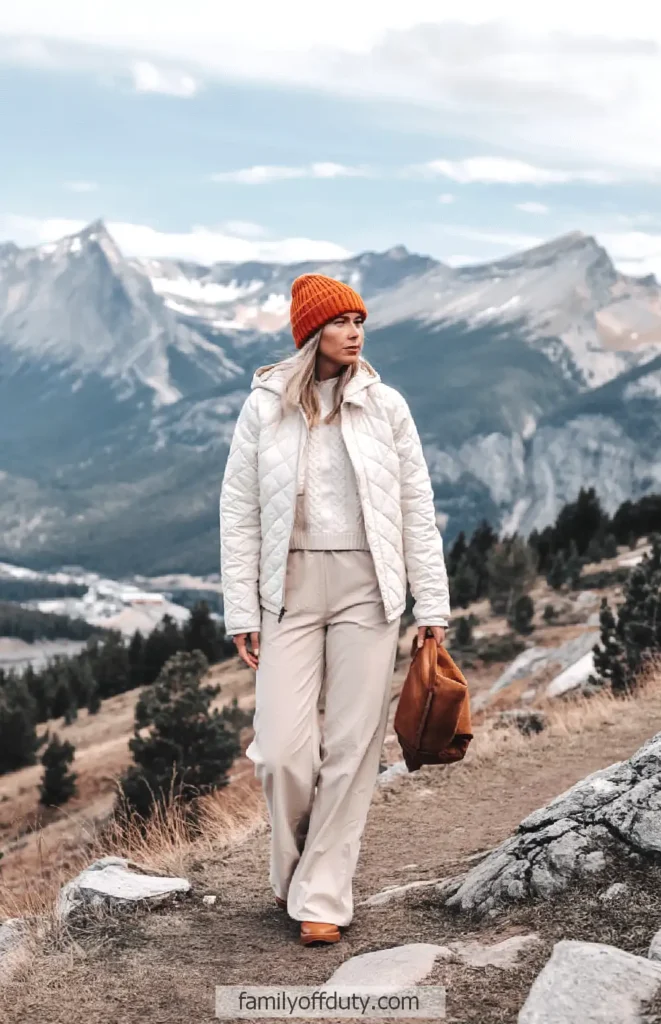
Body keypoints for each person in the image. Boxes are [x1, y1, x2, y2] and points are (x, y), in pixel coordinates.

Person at [219, 273, 451, 946]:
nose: (355, 332)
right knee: (282, 751)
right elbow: (237, 514)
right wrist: (243, 609)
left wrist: (429, 601)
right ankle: (293, 874)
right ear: (310, 332)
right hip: (285, 588)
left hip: (366, 586)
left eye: (360, 321)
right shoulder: (264, 406)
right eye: (342, 321)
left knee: (351, 747)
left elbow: (414, 509)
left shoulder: (386, 406)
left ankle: (321, 895)